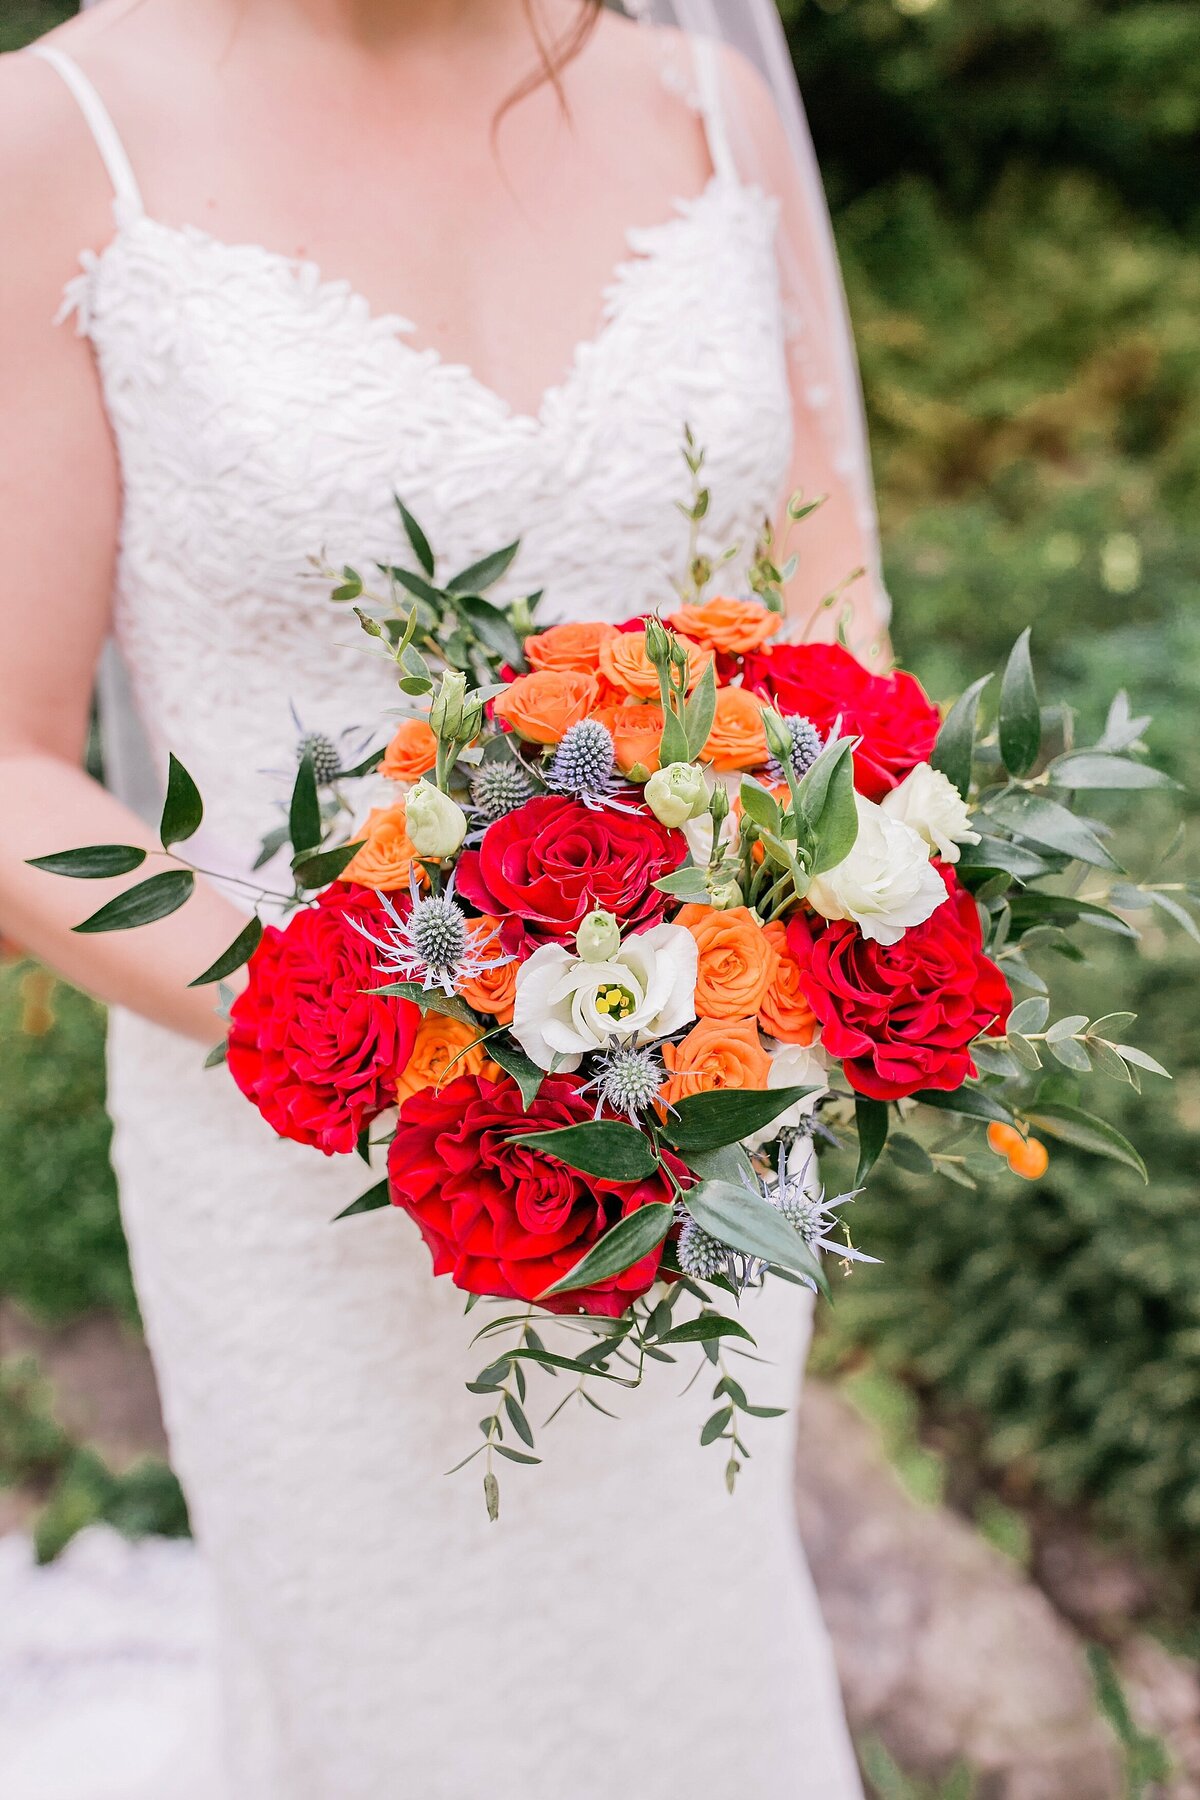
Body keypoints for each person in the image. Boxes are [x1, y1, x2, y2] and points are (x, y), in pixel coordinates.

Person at [0, 1, 884, 1792]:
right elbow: (12, 770)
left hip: (692, 1148)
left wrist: (788, 945)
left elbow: (835, 643)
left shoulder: (712, 113)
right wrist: (423, 1039)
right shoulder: (58, 129)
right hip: (293, 1161)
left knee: (687, 1673)